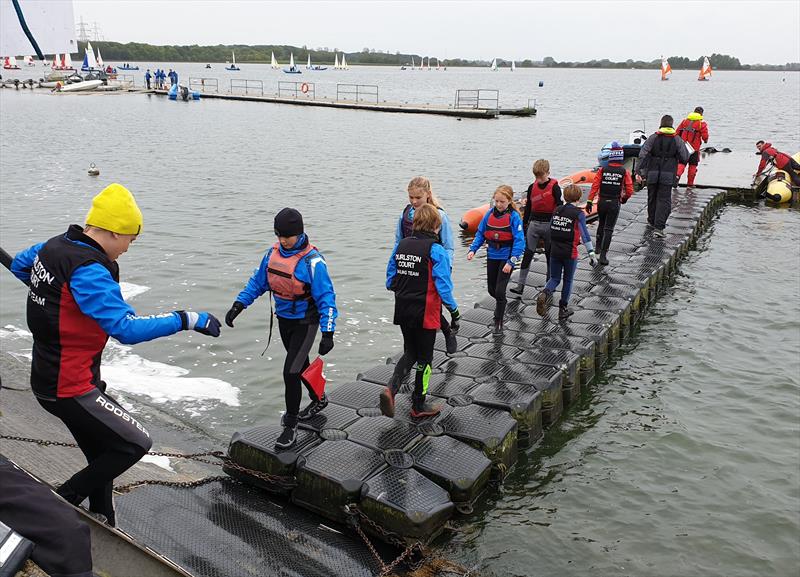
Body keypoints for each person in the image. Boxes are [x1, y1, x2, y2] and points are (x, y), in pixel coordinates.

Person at [9, 183, 221, 527]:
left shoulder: (53, 247)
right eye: (129, 240)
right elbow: (126, 329)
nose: (127, 249)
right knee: (134, 443)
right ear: (112, 231)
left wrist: (59, 299)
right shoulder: (89, 270)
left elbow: (21, 266)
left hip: (52, 376)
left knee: (102, 454)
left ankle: (104, 519)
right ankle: (58, 505)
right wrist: (187, 319)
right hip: (71, 387)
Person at [225, 208, 337, 450]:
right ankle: (320, 398)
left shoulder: (313, 262)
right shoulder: (271, 254)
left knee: (290, 372)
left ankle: (291, 424)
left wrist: (328, 333)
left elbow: (327, 297)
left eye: (288, 236)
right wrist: (238, 305)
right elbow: (258, 282)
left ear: (300, 233)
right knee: (300, 366)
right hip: (284, 319)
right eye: (279, 236)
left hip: (306, 322)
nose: (283, 241)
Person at [381, 204, 459, 419]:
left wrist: (397, 285)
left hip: (403, 308)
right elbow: (443, 286)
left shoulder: (401, 245)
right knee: (425, 359)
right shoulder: (436, 250)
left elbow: (390, 276)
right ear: (436, 226)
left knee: (410, 353)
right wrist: (454, 311)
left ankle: (391, 389)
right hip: (425, 313)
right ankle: (419, 405)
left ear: (415, 224)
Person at [395, 176, 458, 353]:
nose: (414, 202)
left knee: (433, 306)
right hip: (410, 266)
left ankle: (447, 333)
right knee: (413, 308)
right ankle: (410, 351)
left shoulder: (440, 216)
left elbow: (449, 246)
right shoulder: (404, 215)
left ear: (428, 195)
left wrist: (448, 267)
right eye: (411, 198)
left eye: (418, 198)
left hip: (433, 266)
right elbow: (398, 241)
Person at [467, 185, 525, 334]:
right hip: (492, 255)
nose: (499, 204)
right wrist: (473, 250)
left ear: (509, 201)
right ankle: (503, 302)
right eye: (497, 201)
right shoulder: (488, 215)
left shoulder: (514, 217)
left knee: (499, 291)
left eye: (502, 202)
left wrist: (511, 261)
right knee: (491, 289)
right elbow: (481, 233)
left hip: (506, 257)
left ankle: (498, 320)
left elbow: (519, 241)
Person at [536, 184, 597, 321]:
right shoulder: (578, 214)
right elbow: (585, 234)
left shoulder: (557, 210)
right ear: (579, 197)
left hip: (555, 250)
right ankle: (562, 309)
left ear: (565, 197)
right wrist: (591, 254)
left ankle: (545, 293)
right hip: (569, 252)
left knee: (554, 278)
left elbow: (550, 230)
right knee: (568, 280)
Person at [511, 158, 563, 294]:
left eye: (541, 176)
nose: (538, 179)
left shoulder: (555, 188)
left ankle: (549, 286)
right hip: (534, 225)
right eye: (536, 177)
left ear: (548, 173)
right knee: (527, 253)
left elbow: (559, 206)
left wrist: (558, 225)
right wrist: (524, 224)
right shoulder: (531, 187)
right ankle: (520, 285)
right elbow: (528, 208)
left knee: (549, 255)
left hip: (549, 226)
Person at [636, 115, 689, 238]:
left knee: (652, 197)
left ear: (661, 124)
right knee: (663, 200)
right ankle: (659, 228)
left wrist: (639, 171)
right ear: (671, 124)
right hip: (668, 175)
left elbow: (642, 154)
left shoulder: (653, 138)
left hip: (652, 174)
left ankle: (651, 221)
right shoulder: (677, 139)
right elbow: (684, 157)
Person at [585, 142, 634, 266]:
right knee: (609, 229)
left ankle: (597, 248)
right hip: (614, 202)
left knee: (601, 224)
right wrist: (624, 199)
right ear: (621, 158)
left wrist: (590, 201)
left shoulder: (602, 170)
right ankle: (603, 256)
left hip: (602, 202)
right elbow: (629, 190)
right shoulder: (624, 172)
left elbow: (595, 186)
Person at [675, 106, 709, 188]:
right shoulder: (702, 124)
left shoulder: (685, 121)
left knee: (681, 163)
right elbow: (705, 136)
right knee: (693, 165)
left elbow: (677, 132)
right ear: (701, 114)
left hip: (683, 147)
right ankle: (690, 184)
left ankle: (676, 176)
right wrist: (705, 140)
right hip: (694, 149)